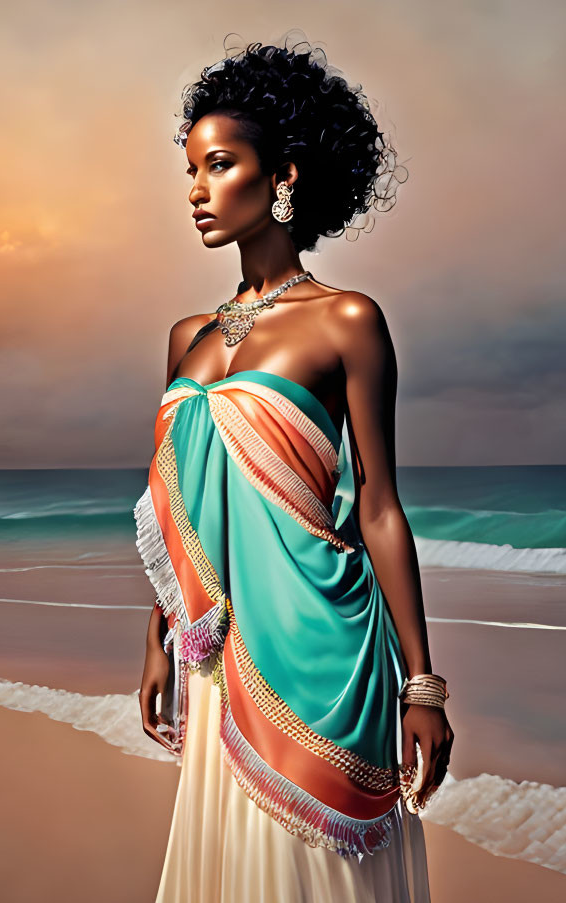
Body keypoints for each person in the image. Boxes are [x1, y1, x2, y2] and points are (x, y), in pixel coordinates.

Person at [135, 33, 453, 902]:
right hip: (216, 651)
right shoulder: (186, 338)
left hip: (326, 646)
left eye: (220, 164)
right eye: (191, 170)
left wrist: (422, 683)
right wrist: (158, 636)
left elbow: (381, 507)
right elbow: (173, 508)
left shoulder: (347, 320)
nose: (197, 190)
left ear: (282, 176)